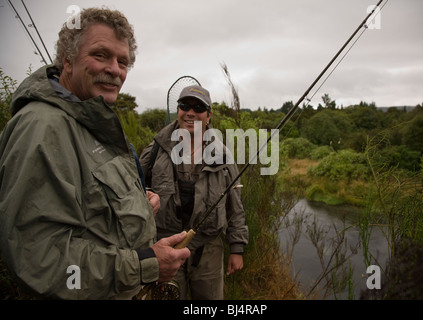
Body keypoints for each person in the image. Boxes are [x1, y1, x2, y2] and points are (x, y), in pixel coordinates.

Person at [0, 7, 190, 299]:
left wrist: (137, 202)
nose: (114, 69)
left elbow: (91, 205)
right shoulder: (42, 129)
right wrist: (143, 266)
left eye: (122, 61)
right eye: (100, 55)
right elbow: (41, 260)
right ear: (67, 60)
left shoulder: (91, 119)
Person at [139, 85, 249, 299]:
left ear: (209, 116)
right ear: (178, 110)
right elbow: (133, 194)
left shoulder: (224, 156)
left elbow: (235, 205)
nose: (190, 112)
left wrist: (236, 248)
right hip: (163, 247)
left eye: (199, 107)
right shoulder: (154, 151)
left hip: (209, 249)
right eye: (184, 105)